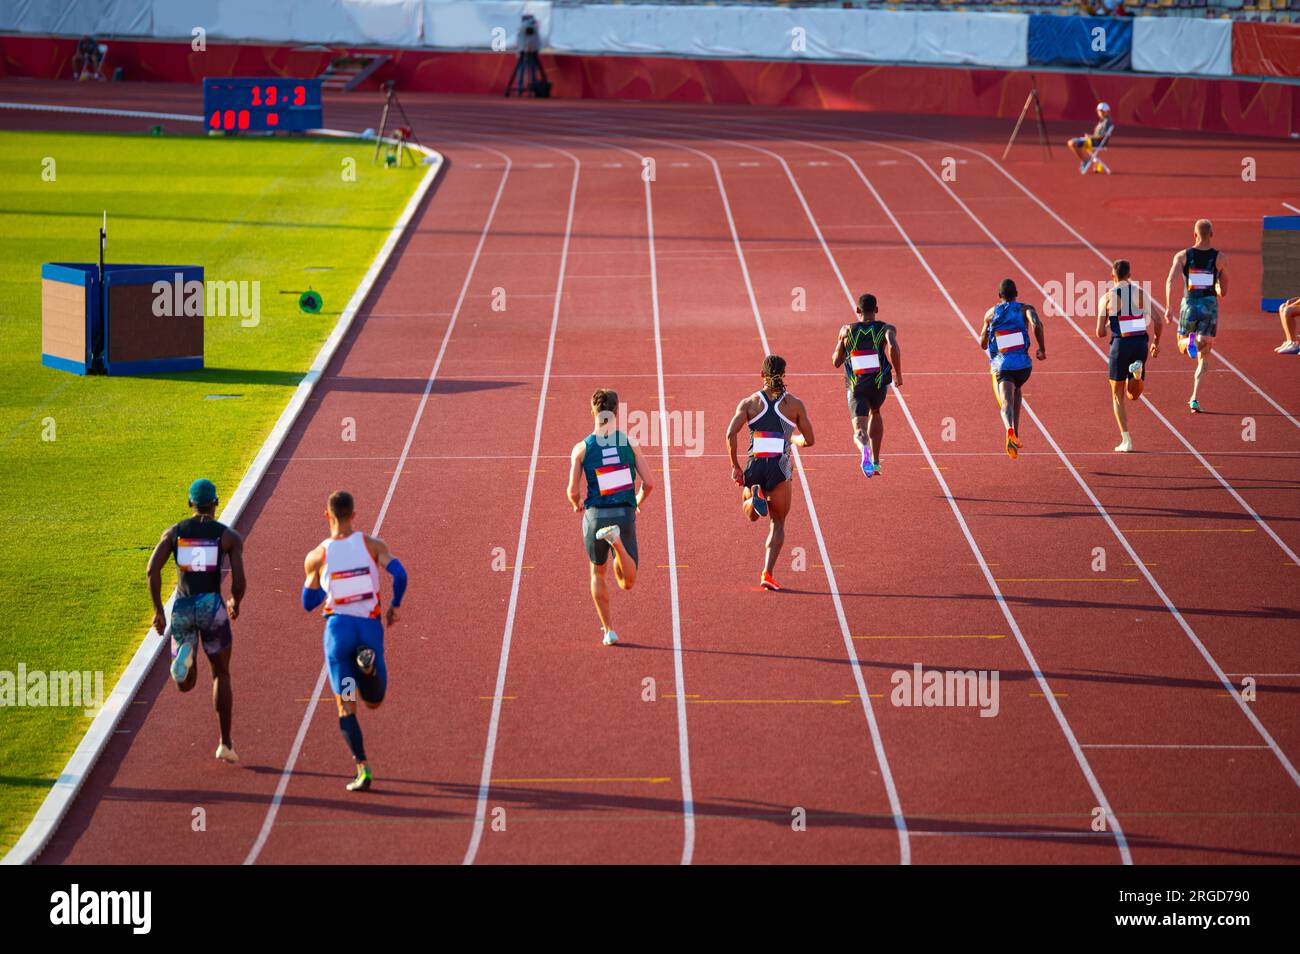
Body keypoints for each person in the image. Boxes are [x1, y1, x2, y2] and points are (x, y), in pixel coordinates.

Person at [302, 491, 407, 792]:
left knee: (347, 706)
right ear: (354, 515)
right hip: (369, 630)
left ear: (327, 515)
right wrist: (396, 604)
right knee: (374, 700)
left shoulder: (317, 556)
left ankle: (363, 768)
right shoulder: (371, 546)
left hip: (339, 636)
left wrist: (326, 582)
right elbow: (400, 574)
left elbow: (308, 602)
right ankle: (369, 669)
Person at [147, 478, 245, 764]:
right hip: (211, 606)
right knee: (221, 674)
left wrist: (158, 611)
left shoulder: (175, 533)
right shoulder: (227, 536)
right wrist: (235, 602)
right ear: (215, 503)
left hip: (183, 607)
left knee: (185, 684)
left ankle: (184, 660)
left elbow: (152, 569)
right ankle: (225, 743)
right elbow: (239, 579)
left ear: (190, 503)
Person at [567, 389, 655, 646]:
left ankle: (608, 631)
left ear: (592, 412)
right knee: (628, 581)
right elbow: (649, 483)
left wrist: (576, 504)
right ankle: (616, 543)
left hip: (595, 516)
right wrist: (636, 503)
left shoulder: (581, 448)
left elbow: (572, 490)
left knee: (597, 573)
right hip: (624, 514)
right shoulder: (629, 442)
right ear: (617, 412)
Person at [725, 355, 815, 592]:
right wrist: (793, 438)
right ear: (784, 375)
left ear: (761, 375)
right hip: (779, 468)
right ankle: (768, 573)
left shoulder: (749, 403)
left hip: (755, 465)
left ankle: (755, 497)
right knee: (778, 522)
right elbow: (810, 440)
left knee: (752, 515)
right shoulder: (794, 405)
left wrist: (735, 466)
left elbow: (730, 434)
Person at [832, 294, 901, 478]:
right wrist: (898, 374)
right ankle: (876, 462)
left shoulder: (847, 330)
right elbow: (893, 346)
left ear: (857, 310)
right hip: (878, 385)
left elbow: (836, 362)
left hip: (856, 386)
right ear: (876, 310)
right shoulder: (886, 328)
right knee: (876, 411)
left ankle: (864, 449)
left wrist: (841, 341)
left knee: (859, 429)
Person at [1095, 259, 1159, 452]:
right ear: (1129, 275)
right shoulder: (1140, 294)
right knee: (1134, 394)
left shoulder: (1107, 298)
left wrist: (1107, 325)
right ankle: (1136, 375)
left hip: (1120, 345)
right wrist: (1156, 341)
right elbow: (1158, 320)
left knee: (1118, 396)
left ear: (1112, 276)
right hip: (1140, 344)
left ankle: (1126, 440)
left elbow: (1099, 333)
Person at [1164, 219, 1227, 413]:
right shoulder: (1220, 258)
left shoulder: (1183, 256)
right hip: (1209, 306)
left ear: (1194, 235)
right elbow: (1223, 291)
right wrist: (1215, 285)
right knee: (1204, 355)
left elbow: (1170, 280)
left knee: (1181, 344)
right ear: (1212, 234)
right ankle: (1194, 398)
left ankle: (1190, 341)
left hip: (1189, 304)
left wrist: (1168, 307)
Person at [979, 279, 1045, 459]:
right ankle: (1016, 435)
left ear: (999, 296)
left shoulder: (991, 313)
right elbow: (1037, 323)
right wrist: (1042, 348)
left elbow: (983, 343)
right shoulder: (1026, 309)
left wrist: (987, 338)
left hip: (1003, 366)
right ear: (1017, 294)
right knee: (1017, 391)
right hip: (1024, 367)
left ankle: (1009, 430)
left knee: (1006, 402)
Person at [1068, 102, 1114, 173]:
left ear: (1106, 112)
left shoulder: (1107, 122)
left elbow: (1102, 136)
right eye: (1098, 111)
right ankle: (1088, 160)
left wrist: (1090, 136)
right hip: (1093, 141)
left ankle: (1086, 160)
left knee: (1072, 143)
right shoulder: (1103, 121)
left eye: (1101, 111)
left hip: (1095, 143)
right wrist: (1090, 136)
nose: (1099, 113)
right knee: (1071, 142)